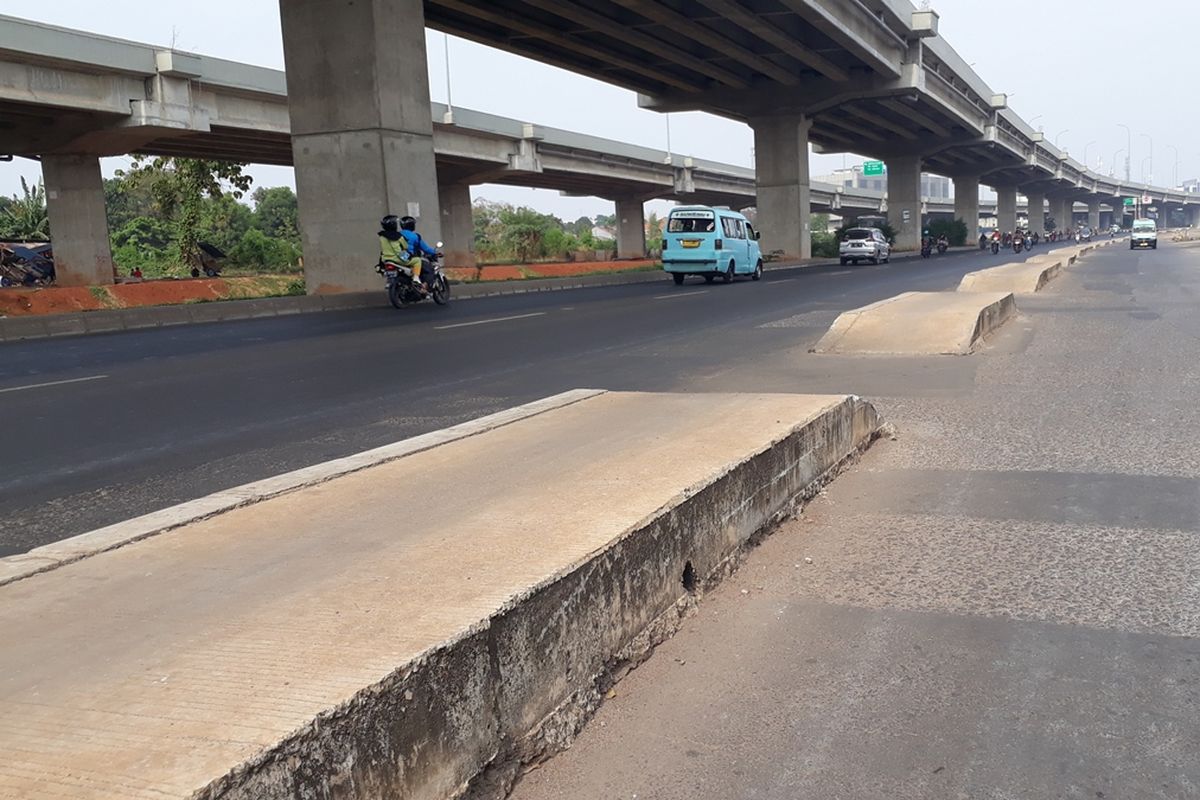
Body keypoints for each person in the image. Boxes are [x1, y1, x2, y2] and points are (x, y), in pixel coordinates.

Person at [378, 214, 424, 293]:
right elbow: (405, 246)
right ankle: (416, 278)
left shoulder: (382, 236)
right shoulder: (399, 236)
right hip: (398, 258)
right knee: (417, 261)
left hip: (385, 259)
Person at [398, 215, 439, 292]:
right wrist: (435, 252)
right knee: (429, 269)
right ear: (412, 225)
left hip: (399, 258)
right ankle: (424, 287)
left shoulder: (397, 234)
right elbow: (425, 249)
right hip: (410, 258)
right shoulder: (415, 236)